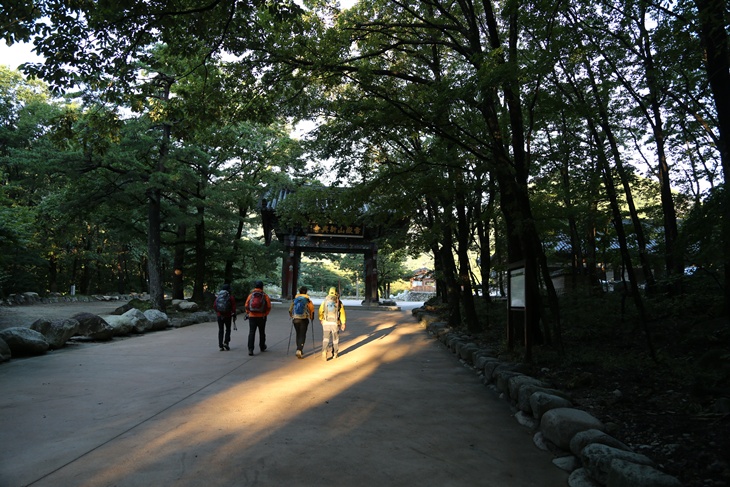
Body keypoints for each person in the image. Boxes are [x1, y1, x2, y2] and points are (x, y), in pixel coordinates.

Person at [318, 286, 346, 361]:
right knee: (335, 339)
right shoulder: (338, 302)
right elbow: (342, 313)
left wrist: (321, 319)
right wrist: (343, 323)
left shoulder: (325, 301)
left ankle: (324, 352)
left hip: (326, 322)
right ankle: (335, 353)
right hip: (335, 323)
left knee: (326, 338)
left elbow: (320, 311)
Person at [245, 280, 272, 356]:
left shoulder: (251, 295)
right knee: (262, 332)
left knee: (252, 332)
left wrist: (248, 312)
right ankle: (262, 346)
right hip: (262, 316)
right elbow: (269, 306)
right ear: (262, 287)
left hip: (252, 316)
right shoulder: (264, 295)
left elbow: (246, 305)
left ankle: (250, 349)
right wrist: (265, 314)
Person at [289, 286, 315, 359]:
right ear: (306, 292)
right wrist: (311, 317)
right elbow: (312, 310)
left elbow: (290, 310)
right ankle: (299, 349)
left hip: (296, 319)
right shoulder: (308, 300)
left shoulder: (295, 300)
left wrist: (292, 316)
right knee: (302, 334)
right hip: (304, 319)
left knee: (298, 334)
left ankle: (298, 347)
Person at [213, 283, 236, 351]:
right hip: (228, 315)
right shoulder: (230, 297)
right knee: (228, 329)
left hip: (220, 315)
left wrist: (218, 312)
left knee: (221, 330)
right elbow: (233, 307)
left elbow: (214, 305)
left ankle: (220, 346)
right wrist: (233, 313)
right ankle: (226, 342)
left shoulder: (218, 297)